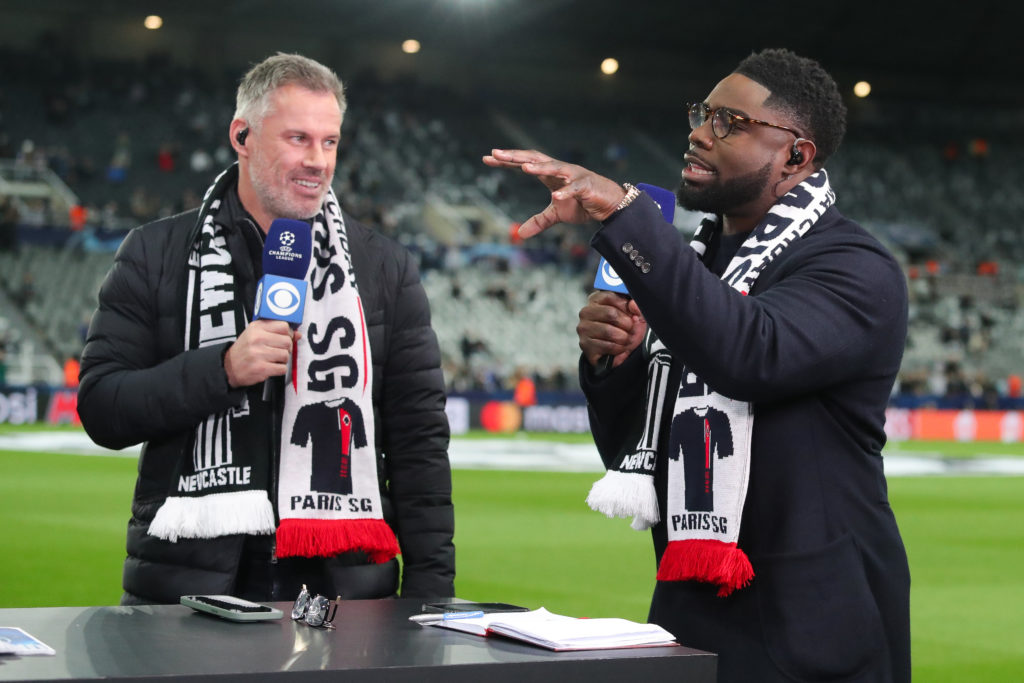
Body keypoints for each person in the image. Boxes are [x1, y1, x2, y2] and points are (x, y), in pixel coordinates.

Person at [484, 48, 909, 683]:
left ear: (796, 155)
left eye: (730, 123)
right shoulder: (696, 264)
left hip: (816, 628)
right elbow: (637, 452)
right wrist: (616, 365)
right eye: (703, 114)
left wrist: (624, 214)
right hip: (692, 609)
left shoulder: (857, 268)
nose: (700, 133)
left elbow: (749, 352)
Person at [79, 53, 454, 605]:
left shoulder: (383, 267)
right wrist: (223, 369)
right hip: (188, 595)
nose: (318, 162)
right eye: (298, 138)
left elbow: (419, 442)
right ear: (242, 136)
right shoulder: (156, 253)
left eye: (330, 142)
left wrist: (429, 597)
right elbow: (103, 408)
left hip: (344, 592)